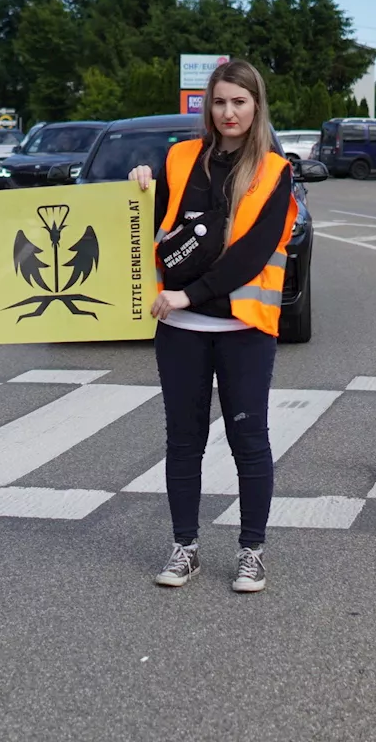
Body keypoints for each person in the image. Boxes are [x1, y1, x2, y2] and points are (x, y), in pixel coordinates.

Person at [129, 58, 296, 593]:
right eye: (219, 102)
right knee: (183, 441)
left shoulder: (275, 169)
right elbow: (155, 226)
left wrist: (190, 292)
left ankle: (252, 552)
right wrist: (135, 186)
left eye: (239, 102)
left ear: (255, 106)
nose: (228, 112)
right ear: (207, 105)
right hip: (180, 328)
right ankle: (185, 548)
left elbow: (252, 252)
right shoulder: (180, 158)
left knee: (250, 441)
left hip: (243, 327)